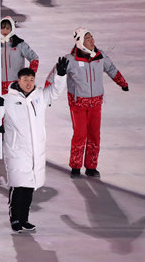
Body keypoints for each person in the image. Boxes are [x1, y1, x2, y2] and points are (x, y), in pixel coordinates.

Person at [0, 60, 68, 233]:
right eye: (25, 79)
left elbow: (55, 91)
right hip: (17, 150)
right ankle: (15, 218)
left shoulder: (39, 96)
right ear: (18, 80)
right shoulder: (7, 99)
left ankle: (24, 219)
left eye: (31, 79)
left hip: (35, 150)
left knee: (30, 187)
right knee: (19, 186)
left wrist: (61, 75)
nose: (28, 83)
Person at [46, 28, 128, 178]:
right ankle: (76, 167)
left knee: (94, 135)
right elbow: (52, 76)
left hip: (96, 103)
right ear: (80, 42)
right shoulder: (70, 60)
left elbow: (111, 69)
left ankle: (91, 167)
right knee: (80, 134)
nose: (92, 40)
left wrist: (122, 83)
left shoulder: (100, 56)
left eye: (92, 37)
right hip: (78, 104)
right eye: (88, 38)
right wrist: (47, 96)